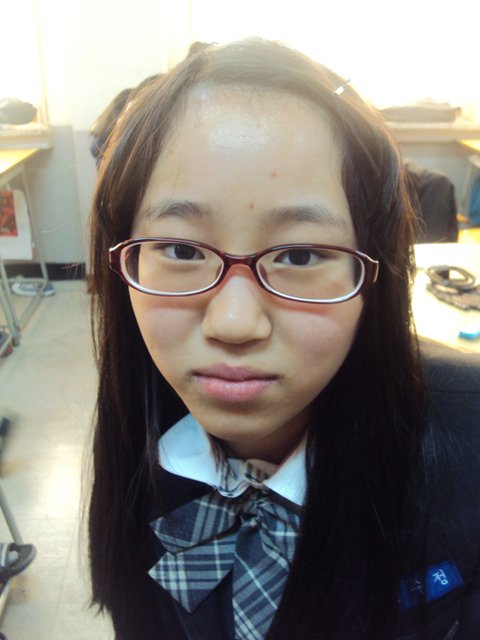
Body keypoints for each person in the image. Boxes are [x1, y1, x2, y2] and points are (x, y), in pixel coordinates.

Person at [88, 39, 480, 640]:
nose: (234, 324)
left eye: (299, 255)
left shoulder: (468, 449)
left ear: (377, 273)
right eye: (182, 250)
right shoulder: (138, 432)